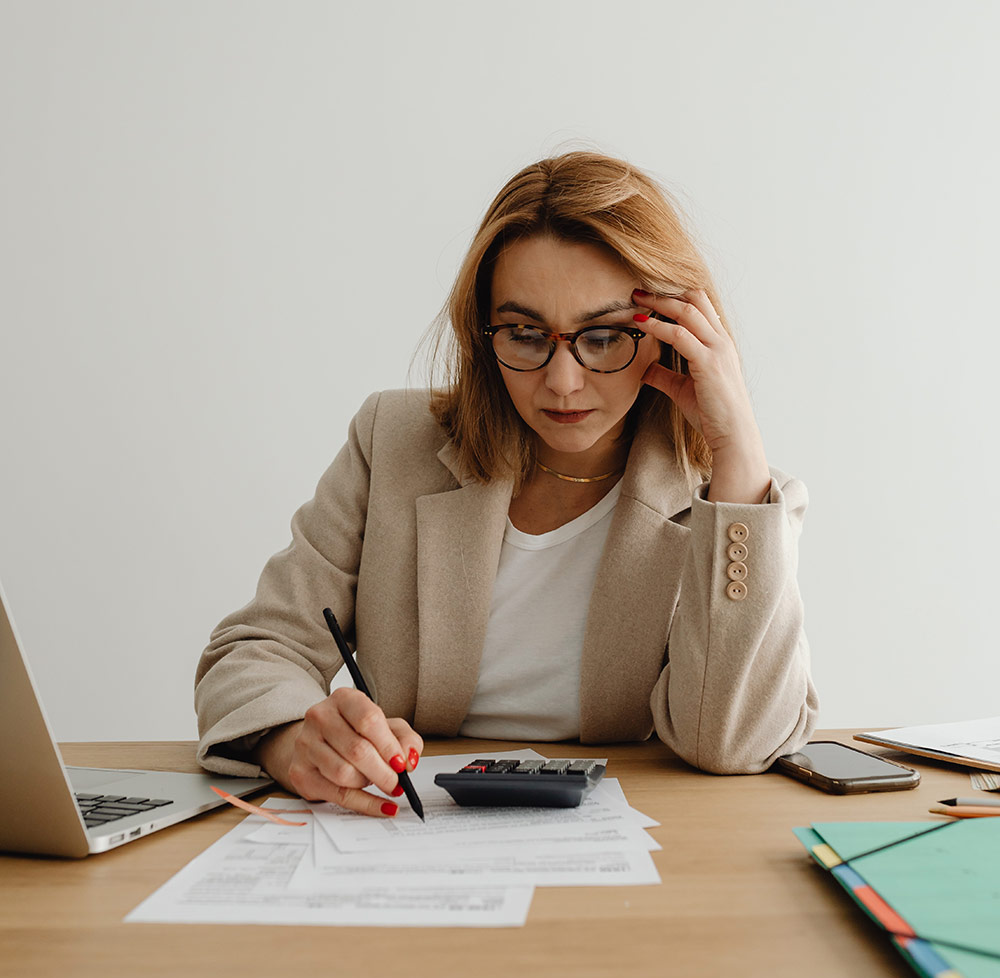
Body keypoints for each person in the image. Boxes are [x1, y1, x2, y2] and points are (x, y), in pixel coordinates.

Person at [194, 151, 818, 817]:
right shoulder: (395, 442)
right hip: (413, 838)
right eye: (524, 334)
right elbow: (253, 652)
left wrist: (737, 449)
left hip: (639, 853)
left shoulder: (733, 501)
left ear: (675, 336)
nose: (562, 381)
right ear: (481, 332)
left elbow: (730, 741)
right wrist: (293, 739)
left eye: (603, 337)